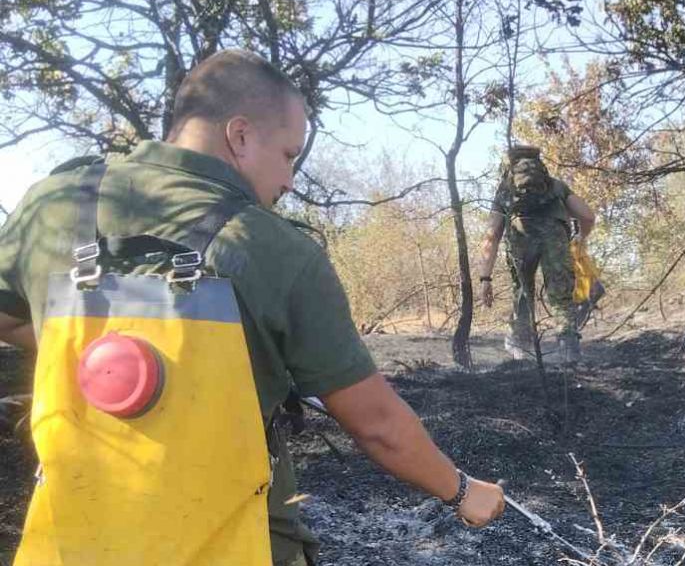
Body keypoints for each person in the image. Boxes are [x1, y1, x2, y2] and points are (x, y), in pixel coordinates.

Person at [0, 49, 504, 566]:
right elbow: (376, 422)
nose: (289, 180)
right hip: (232, 544)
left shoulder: (54, 204)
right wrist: (463, 492)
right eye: (288, 154)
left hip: (72, 544)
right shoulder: (271, 247)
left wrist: (109, 351)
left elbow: (9, 319)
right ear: (240, 135)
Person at [478, 145, 596, 364]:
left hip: (520, 240)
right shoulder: (556, 187)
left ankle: (521, 351)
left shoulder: (505, 190)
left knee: (522, 291)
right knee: (561, 295)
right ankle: (568, 350)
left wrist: (485, 278)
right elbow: (587, 216)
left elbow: (491, 235)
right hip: (556, 241)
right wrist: (581, 237)